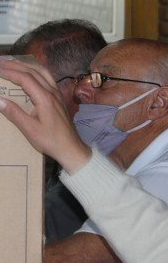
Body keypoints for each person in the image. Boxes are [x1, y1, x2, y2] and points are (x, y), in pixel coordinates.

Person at [0, 38, 168, 263]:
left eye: (102, 79)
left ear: (157, 102)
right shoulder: (149, 166)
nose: (81, 90)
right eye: (84, 77)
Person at [9, 19, 106, 244]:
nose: (25, 101)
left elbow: (28, 239)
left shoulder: (107, 155)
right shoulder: (74, 138)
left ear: (83, 86)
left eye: (32, 87)